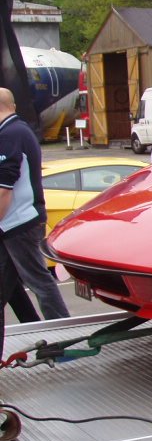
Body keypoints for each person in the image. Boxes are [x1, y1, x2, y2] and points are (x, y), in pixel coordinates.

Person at [0, 87, 70, 320]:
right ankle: (35, 325)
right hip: (15, 221)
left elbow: (4, 188)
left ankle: (61, 331)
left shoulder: (9, 135)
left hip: (18, 221)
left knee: (38, 279)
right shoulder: (20, 130)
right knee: (10, 282)